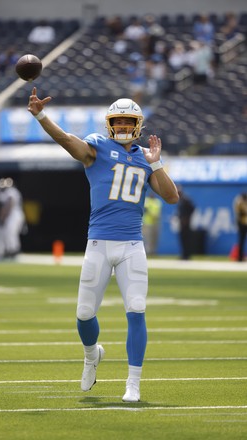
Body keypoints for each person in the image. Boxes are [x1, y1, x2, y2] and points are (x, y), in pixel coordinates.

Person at [27, 89, 179, 402]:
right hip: (98, 243)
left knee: (136, 310)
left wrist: (157, 163)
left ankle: (133, 384)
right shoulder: (97, 147)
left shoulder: (144, 158)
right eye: (118, 121)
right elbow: (69, 141)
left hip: (132, 246)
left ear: (138, 124)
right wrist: (42, 116)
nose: (123, 126)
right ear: (109, 123)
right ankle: (91, 354)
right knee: (84, 314)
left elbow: (171, 196)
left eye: (128, 121)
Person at [176, 186, 195, 260]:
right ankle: (184, 254)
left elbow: (192, 208)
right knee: (182, 239)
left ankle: (187, 255)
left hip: (186, 224)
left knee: (186, 239)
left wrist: (187, 218)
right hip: (181, 222)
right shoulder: (180, 200)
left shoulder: (185, 199)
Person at [142, 191, 162, 256]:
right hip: (148, 222)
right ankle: (148, 252)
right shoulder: (146, 201)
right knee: (148, 238)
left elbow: (159, 212)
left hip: (156, 222)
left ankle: (153, 251)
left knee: (155, 238)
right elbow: (145, 210)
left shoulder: (157, 202)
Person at [233, 192, 247, 262]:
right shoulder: (239, 203)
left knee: (242, 240)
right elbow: (239, 213)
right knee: (241, 240)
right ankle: (240, 257)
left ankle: (241, 256)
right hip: (242, 223)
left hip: (244, 222)